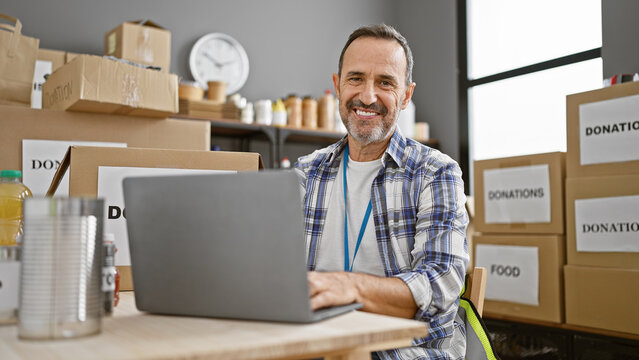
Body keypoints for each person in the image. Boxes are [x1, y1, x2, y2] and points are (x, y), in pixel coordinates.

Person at [294, 24, 469, 359]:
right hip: (313, 346)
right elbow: (273, 273)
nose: (367, 96)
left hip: (403, 352)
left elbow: (440, 284)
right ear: (337, 85)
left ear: (405, 95)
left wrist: (346, 286)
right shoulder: (306, 172)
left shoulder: (435, 172)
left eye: (385, 82)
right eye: (356, 78)